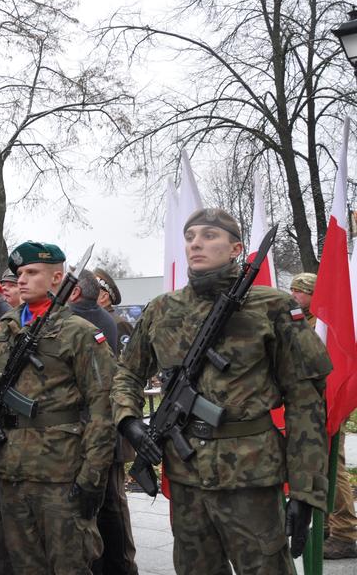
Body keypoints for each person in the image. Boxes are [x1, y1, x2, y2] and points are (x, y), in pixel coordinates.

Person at [113, 209, 332, 574]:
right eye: (190, 236)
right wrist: (129, 421)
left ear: (237, 248)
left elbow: (305, 400)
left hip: (250, 476)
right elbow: (126, 374)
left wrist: (307, 490)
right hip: (186, 478)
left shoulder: (272, 307)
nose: (196, 243)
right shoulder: (162, 309)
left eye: (210, 235)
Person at [0, 241, 116, 574]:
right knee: (24, 566)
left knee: (70, 565)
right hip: (12, 473)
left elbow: (104, 406)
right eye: (19, 273)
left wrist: (93, 476)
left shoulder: (80, 334)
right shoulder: (4, 333)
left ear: (57, 278)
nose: (21, 280)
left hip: (61, 475)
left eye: (32, 273)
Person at [69, 271, 138, 575]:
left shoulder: (111, 322)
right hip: (98, 423)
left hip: (108, 422)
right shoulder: (91, 317)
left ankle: (123, 563)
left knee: (114, 502)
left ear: (105, 293)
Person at [291, 272, 357, 560]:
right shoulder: (303, 320)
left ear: (312, 294)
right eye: (292, 289)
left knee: (333, 466)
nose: (293, 295)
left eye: (299, 291)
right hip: (310, 403)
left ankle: (346, 532)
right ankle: (330, 525)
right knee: (322, 465)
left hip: (327, 402)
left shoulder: (322, 322)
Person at [94, 268, 134, 351]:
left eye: (92, 289)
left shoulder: (119, 324)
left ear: (104, 297)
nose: (87, 291)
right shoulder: (95, 320)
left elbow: (126, 360)